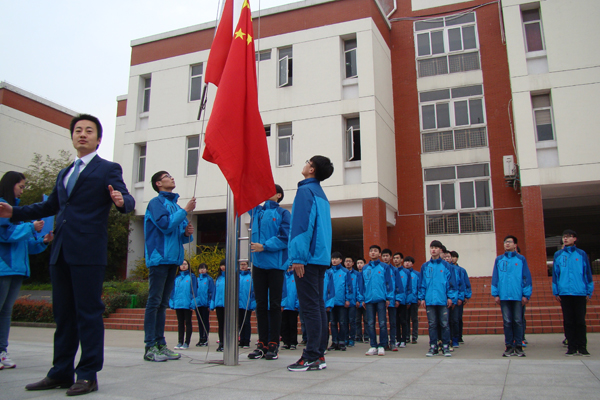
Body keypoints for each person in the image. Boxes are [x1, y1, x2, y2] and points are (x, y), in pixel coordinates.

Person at [0, 114, 135, 395]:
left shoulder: (107, 169)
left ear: (98, 139)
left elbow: (126, 198)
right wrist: (14, 212)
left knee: (88, 313)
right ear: (72, 136)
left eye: (89, 131)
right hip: (60, 251)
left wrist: (122, 201)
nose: (82, 134)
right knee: (63, 315)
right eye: (78, 130)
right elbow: (49, 206)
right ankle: (60, 372)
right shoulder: (65, 172)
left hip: (88, 252)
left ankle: (87, 374)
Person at [0, 171, 53, 369]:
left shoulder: (16, 212)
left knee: (6, 312)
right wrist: (31, 227)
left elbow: (25, 244)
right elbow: (5, 235)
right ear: (10, 185)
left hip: (16, 270)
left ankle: (2, 351)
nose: (22, 190)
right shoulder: (2, 207)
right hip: (3, 268)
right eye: (20, 186)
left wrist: (43, 241)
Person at [286, 156, 334, 372]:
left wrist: (298, 257)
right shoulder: (321, 194)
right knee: (318, 306)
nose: (304, 164)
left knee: (310, 308)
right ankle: (319, 354)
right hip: (320, 258)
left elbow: (302, 225)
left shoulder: (305, 191)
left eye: (307, 161)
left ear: (312, 169)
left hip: (307, 258)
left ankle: (312, 356)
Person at [143, 171, 195, 362]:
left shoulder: (175, 205)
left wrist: (187, 233)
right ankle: (150, 346)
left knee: (163, 303)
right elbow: (165, 225)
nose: (172, 178)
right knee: (154, 302)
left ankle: (160, 344)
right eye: (167, 176)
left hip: (173, 259)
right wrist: (185, 211)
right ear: (158, 183)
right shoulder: (156, 203)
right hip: (159, 258)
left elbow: (179, 235)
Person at [248, 184, 290, 361]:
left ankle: (273, 343)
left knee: (274, 305)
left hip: (276, 265)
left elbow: (285, 237)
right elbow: (246, 196)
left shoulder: (283, 213)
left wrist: (264, 246)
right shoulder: (257, 211)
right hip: (258, 265)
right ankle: (261, 343)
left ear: (279, 195)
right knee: (260, 305)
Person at [553, 229, 594, 356]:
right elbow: (555, 274)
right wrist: (556, 291)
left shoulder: (581, 254)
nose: (565, 239)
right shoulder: (558, 255)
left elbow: (587, 273)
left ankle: (582, 347)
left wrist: (589, 291)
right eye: (564, 237)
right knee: (568, 321)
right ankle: (571, 346)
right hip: (565, 292)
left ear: (575, 239)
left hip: (579, 292)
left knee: (580, 321)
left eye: (568, 236)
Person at [491, 235, 532, 357]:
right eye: (505, 242)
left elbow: (526, 277)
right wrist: (495, 294)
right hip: (504, 296)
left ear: (515, 245)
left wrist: (526, 294)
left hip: (517, 296)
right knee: (507, 321)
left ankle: (518, 346)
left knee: (518, 321)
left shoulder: (521, 259)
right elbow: (495, 278)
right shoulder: (499, 259)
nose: (507, 244)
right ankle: (509, 346)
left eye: (509, 242)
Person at [419, 240, 456, 357]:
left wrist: (450, 297)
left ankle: (445, 346)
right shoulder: (425, 266)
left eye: (436, 248)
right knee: (432, 324)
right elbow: (422, 283)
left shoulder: (446, 266)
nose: (433, 250)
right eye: (432, 248)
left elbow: (451, 283)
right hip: (430, 300)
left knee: (444, 324)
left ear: (440, 250)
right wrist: (422, 298)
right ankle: (433, 346)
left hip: (443, 300)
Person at [358, 245, 394, 356]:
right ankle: (373, 345)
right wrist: (362, 299)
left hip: (381, 299)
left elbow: (388, 283)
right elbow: (361, 285)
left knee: (382, 323)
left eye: (375, 251)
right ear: (369, 253)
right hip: (369, 300)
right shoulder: (365, 268)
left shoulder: (384, 267)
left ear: (379, 254)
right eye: (371, 251)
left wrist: (388, 297)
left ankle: (382, 345)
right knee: (370, 323)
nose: (373, 253)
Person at [327, 251, 352, 351]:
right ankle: (334, 342)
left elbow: (349, 286)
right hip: (331, 302)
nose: (334, 260)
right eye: (333, 258)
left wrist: (348, 299)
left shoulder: (345, 272)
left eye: (336, 258)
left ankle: (342, 341)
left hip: (342, 302)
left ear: (341, 260)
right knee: (333, 322)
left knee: (342, 322)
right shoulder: (328, 272)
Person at [169, 260, 196, 350]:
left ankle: (186, 342)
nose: (183, 266)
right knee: (180, 323)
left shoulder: (192, 277)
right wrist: (172, 301)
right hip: (178, 303)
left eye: (185, 264)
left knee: (188, 322)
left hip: (187, 303)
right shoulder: (176, 277)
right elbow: (172, 290)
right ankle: (180, 341)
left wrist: (193, 302)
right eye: (182, 264)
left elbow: (194, 290)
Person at [450, 251, 471, 345]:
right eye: (452, 257)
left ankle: (459, 336)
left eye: (454, 257)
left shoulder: (461, 270)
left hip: (459, 297)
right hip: (450, 298)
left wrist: (465, 296)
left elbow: (465, 284)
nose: (453, 259)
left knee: (458, 318)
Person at [380, 249, 398, 351]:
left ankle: (393, 342)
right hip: (382, 299)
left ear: (391, 257)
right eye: (384, 256)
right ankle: (384, 342)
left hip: (392, 299)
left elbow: (398, 285)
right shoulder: (380, 268)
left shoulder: (394, 270)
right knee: (382, 322)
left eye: (387, 256)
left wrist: (398, 299)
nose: (385, 258)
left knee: (393, 322)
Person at [193, 263, 214, 347]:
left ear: (207, 270)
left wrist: (209, 304)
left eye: (204, 268)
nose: (202, 270)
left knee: (205, 321)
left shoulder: (209, 279)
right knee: (199, 321)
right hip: (198, 304)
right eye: (200, 268)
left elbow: (211, 292)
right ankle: (201, 338)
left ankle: (205, 338)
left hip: (205, 304)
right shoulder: (196, 280)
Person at [393, 252, 410, 348]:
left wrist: (408, 300)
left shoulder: (406, 272)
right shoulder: (391, 271)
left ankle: (404, 339)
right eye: (394, 258)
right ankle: (398, 339)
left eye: (397, 258)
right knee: (395, 321)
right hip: (393, 301)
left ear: (401, 260)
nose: (396, 260)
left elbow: (409, 287)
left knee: (403, 320)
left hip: (403, 300)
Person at [281, 265, 299, 350]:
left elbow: (298, 292)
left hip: (293, 306)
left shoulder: (296, 277)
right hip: (284, 306)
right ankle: (285, 342)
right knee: (284, 325)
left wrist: (297, 304)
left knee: (293, 325)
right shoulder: (283, 276)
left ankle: (293, 342)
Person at [210, 259, 227, 352]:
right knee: (221, 324)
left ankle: (228, 342)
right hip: (219, 304)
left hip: (228, 304)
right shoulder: (218, 278)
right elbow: (214, 291)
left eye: (224, 265)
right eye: (221, 265)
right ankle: (221, 342)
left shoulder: (232, 277)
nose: (223, 267)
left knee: (228, 324)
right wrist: (213, 303)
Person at [238, 260, 255, 349]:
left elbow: (253, 291)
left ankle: (246, 341)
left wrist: (252, 303)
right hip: (238, 304)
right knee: (240, 322)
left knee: (246, 322)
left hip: (247, 303)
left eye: (244, 264)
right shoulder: (237, 277)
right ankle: (241, 340)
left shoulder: (250, 277)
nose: (243, 266)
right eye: (241, 264)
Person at [404, 256, 421, 344]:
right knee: (406, 319)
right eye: (406, 261)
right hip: (405, 300)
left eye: (409, 262)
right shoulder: (401, 273)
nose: (407, 263)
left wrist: (419, 298)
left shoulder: (417, 274)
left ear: (412, 264)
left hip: (414, 300)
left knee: (414, 319)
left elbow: (419, 287)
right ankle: (406, 336)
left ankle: (414, 336)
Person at [343, 256, 358, 347]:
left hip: (353, 301)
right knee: (344, 321)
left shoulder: (357, 274)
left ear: (353, 263)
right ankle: (345, 338)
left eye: (350, 261)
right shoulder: (343, 273)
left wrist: (358, 299)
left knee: (352, 321)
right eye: (346, 261)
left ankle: (352, 338)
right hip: (343, 302)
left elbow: (359, 287)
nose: (348, 263)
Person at [354, 258, 368, 343]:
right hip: (357, 301)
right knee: (357, 320)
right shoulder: (354, 274)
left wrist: (364, 300)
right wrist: (357, 300)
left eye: (361, 263)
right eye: (358, 263)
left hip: (366, 301)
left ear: (365, 264)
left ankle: (366, 336)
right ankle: (358, 336)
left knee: (366, 320)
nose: (359, 265)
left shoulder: (366, 274)